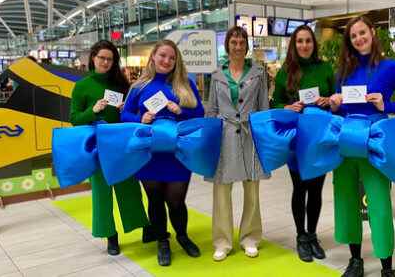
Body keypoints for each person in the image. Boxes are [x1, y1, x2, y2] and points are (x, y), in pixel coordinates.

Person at [329, 16, 395, 277]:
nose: (358, 39)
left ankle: (386, 267)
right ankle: (355, 260)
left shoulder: (391, 68)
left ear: (372, 32)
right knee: (345, 199)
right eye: (353, 36)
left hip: (375, 142)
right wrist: (336, 104)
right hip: (346, 142)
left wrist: (386, 105)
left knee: (379, 202)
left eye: (362, 33)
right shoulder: (342, 71)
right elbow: (341, 108)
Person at [121, 39, 204, 267]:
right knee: (155, 199)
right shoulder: (139, 86)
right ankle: (162, 241)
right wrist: (141, 118)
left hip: (178, 153)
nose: (167, 61)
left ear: (176, 61)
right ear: (153, 57)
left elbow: (199, 112)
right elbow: (124, 115)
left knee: (176, 201)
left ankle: (183, 236)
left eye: (171, 57)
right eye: (163, 56)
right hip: (149, 154)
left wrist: (181, 111)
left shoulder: (185, 83)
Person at [69, 40, 149, 256]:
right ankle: (110, 236)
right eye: (102, 58)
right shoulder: (82, 86)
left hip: (122, 146)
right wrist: (92, 111)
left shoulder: (121, 85)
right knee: (102, 194)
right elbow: (74, 119)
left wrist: (126, 110)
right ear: (93, 58)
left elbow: (132, 115)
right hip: (98, 149)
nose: (105, 62)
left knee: (130, 189)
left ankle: (143, 226)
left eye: (109, 59)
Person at [205, 26, 269, 261]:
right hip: (224, 137)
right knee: (222, 190)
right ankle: (222, 241)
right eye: (234, 42)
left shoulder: (258, 73)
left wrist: (264, 135)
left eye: (242, 42)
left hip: (250, 135)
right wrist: (208, 135)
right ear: (227, 45)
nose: (238, 46)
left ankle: (250, 237)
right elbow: (211, 108)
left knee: (252, 190)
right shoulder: (216, 75)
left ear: (247, 45)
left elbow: (263, 108)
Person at [271, 25, 335, 262]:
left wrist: (329, 100)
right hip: (296, 140)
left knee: (316, 189)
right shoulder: (286, 71)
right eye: (300, 41)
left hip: (320, 138)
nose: (304, 45)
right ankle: (300, 236)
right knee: (299, 188)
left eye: (308, 41)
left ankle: (312, 235)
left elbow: (337, 99)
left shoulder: (326, 68)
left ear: (313, 43)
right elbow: (274, 103)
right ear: (294, 44)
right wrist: (286, 107)